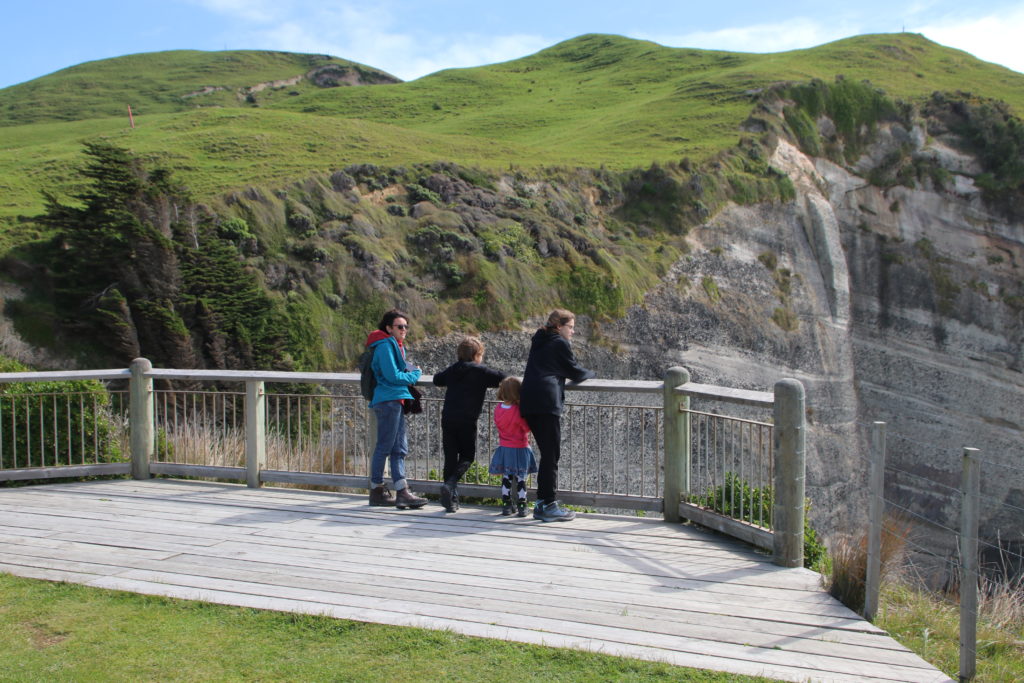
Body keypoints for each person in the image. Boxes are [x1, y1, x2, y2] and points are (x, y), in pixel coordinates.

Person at [519, 309, 595, 522]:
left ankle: (544, 502)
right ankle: (548, 504)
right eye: (570, 326)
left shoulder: (539, 339)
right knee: (551, 455)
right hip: (546, 402)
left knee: (547, 453)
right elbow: (575, 371)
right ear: (559, 326)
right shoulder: (560, 343)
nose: (573, 331)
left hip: (529, 400)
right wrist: (592, 374)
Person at [432, 336, 506, 513]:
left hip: (448, 418)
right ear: (476, 355)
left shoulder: (452, 370)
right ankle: (450, 485)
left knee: (450, 458)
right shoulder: (481, 372)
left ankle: (450, 499)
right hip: (467, 420)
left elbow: (437, 379)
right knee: (467, 456)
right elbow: (503, 378)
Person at [365, 309, 427, 509]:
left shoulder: (394, 345)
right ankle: (377, 490)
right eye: (400, 326)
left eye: (406, 326)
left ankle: (402, 491)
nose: (404, 330)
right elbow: (393, 377)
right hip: (388, 400)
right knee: (385, 446)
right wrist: (414, 374)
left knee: (399, 448)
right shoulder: (384, 346)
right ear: (388, 328)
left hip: (395, 400)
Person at [488, 376, 536, 517]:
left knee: (506, 477)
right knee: (521, 477)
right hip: (520, 447)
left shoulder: (498, 409)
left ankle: (506, 505)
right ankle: (522, 505)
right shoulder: (517, 410)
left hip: (504, 447)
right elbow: (526, 428)